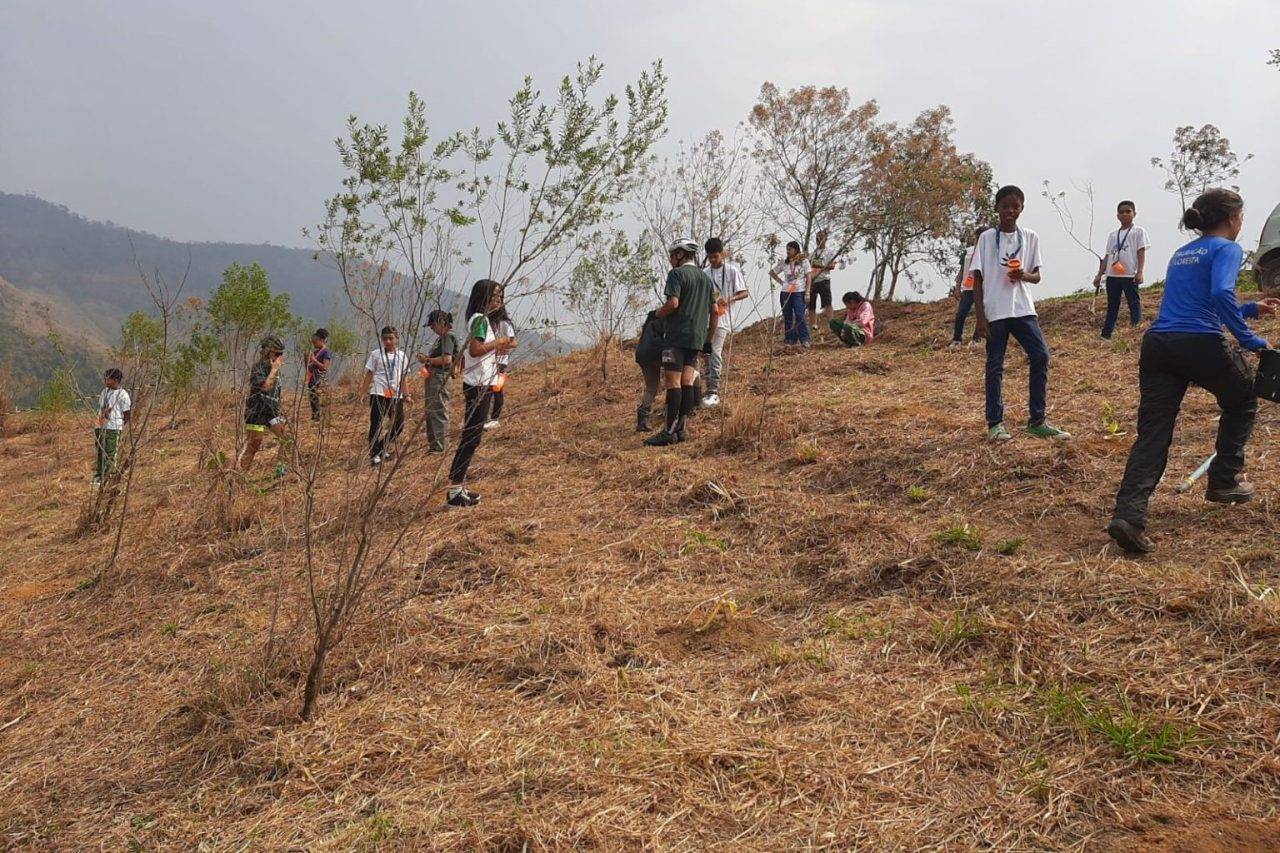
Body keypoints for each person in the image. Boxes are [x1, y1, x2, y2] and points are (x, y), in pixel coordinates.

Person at [1108, 189, 1277, 554]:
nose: (1241, 223)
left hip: (1159, 345)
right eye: (1241, 217)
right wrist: (1248, 338)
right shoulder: (1227, 248)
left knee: (1153, 433)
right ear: (1231, 219)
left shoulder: (1183, 253)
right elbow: (1219, 295)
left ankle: (1129, 516)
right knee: (1243, 400)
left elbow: (1196, 303)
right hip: (1200, 343)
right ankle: (1224, 480)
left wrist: (1250, 308)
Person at [972, 185, 1071, 441]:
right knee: (995, 365)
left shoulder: (1030, 237)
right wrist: (980, 318)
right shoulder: (986, 238)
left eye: (1015, 206)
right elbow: (977, 279)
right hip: (996, 311)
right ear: (996, 208)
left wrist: (1023, 275)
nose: (1010, 211)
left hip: (1023, 309)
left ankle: (1037, 420)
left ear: (1022, 208)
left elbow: (1036, 276)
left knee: (1040, 356)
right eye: (1005, 206)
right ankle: (995, 424)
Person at [448, 280, 517, 506]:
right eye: (495, 296)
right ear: (483, 297)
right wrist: (499, 342)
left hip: (481, 384)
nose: (499, 300)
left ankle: (457, 487)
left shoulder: (482, 320)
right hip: (477, 386)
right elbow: (476, 349)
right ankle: (454, 491)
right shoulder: (480, 319)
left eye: (501, 296)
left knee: (472, 437)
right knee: (471, 437)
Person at [644, 238, 715, 446]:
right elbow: (714, 312)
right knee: (687, 382)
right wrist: (708, 340)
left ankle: (668, 432)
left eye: (672, 254)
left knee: (673, 382)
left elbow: (673, 303)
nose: (670, 258)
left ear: (680, 254)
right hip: (696, 338)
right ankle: (681, 430)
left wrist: (657, 314)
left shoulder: (676, 274)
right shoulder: (705, 279)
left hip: (676, 336)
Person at [702, 236, 749, 407]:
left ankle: (713, 390)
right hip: (706, 319)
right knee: (705, 352)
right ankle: (705, 386)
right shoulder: (704, 273)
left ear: (722, 254)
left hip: (723, 318)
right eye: (710, 257)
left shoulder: (732, 271)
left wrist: (729, 299)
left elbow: (744, 292)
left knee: (715, 351)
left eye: (715, 256)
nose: (713, 260)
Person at [1094, 200, 1151, 340]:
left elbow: (1141, 252)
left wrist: (1140, 271)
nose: (1125, 214)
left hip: (1129, 274)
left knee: (1133, 303)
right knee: (1112, 305)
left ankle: (1135, 332)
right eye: (1121, 212)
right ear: (1117, 216)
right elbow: (1107, 256)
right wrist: (1099, 274)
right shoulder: (1113, 235)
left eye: (1128, 211)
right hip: (1112, 275)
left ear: (1134, 213)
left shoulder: (1138, 232)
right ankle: (1106, 334)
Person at [239, 335, 289, 475]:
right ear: (267, 351)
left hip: (271, 410)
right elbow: (265, 387)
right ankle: (241, 476)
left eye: (281, 354)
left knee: (286, 438)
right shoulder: (258, 368)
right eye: (276, 354)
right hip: (257, 410)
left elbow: (275, 392)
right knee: (254, 444)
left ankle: (280, 472)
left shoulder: (275, 369)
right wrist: (274, 370)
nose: (279, 357)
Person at [360, 326, 409, 466]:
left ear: (397, 339)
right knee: (376, 424)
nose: (388, 341)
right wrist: (363, 392)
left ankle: (381, 447)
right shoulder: (376, 354)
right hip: (379, 393)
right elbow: (369, 374)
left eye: (391, 338)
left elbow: (403, 377)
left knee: (398, 424)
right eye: (385, 339)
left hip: (395, 394)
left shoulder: (402, 356)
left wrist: (407, 395)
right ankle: (374, 453)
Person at [416, 310, 458, 453]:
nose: (432, 329)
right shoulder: (441, 339)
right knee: (431, 411)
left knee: (438, 410)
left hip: (440, 377)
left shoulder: (448, 337)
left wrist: (427, 360)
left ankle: (440, 447)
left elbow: (447, 359)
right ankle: (434, 445)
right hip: (433, 377)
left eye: (433, 325)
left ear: (441, 322)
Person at [93, 368, 131, 485]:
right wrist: (99, 424)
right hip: (101, 426)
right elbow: (102, 408)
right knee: (100, 450)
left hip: (113, 427)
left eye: (108, 378)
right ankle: (99, 475)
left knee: (110, 452)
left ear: (115, 380)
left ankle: (108, 476)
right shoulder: (104, 392)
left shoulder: (123, 395)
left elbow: (127, 414)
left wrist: (119, 426)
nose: (106, 380)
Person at [770, 240, 811, 349]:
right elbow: (772, 272)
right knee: (787, 316)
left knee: (799, 315)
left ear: (796, 250)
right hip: (786, 292)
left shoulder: (803, 261)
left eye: (790, 249)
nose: (788, 251)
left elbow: (809, 277)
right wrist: (781, 282)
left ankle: (805, 339)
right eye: (787, 249)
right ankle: (790, 340)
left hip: (799, 291)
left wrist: (807, 292)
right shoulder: (784, 262)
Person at [950, 227, 986, 348]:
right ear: (975, 238)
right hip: (968, 288)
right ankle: (956, 339)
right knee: (961, 313)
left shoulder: (990, 253)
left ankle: (976, 339)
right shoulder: (967, 252)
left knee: (980, 314)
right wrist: (957, 287)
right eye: (978, 237)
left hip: (983, 288)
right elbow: (961, 271)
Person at [485, 305, 516, 429]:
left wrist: (500, 347)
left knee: (496, 389)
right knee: (487, 389)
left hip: (500, 361)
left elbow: (513, 342)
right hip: (488, 360)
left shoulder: (504, 324)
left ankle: (495, 418)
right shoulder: (487, 323)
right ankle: (486, 418)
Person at [635, 309, 666, 432]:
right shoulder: (664, 321)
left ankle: (642, 420)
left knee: (650, 388)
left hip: (642, 355)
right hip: (654, 356)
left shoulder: (649, 323)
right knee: (668, 385)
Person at [808, 229, 836, 334]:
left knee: (827, 303)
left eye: (821, 238)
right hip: (813, 281)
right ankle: (813, 325)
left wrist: (821, 265)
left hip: (824, 280)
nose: (819, 240)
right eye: (817, 238)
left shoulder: (829, 252)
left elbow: (832, 266)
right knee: (811, 304)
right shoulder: (812, 254)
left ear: (825, 239)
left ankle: (831, 325)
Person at [305, 328, 332, 422]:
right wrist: (306, 358)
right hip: (312, 379)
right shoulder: (315, 352)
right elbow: (308, 368)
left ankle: (318, 418)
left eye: (315, 343)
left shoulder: (326, 352)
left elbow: (325, 367)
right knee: (313, 399)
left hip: (319, 380)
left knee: (317, 399)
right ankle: (314, 416)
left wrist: (314, 360)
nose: (314, 345)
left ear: (321, 340)